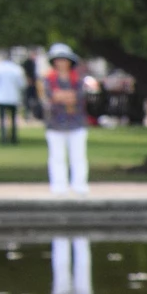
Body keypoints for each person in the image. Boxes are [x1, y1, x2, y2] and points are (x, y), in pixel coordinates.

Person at [39, 42, 90, 193]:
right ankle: (59, 185)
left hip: (76, 122)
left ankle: (79, 184)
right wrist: (63, 96)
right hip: (55, 122)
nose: (61, 63)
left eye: (64, 59)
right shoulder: (48, 79)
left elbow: (78, 96)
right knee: (57, 156)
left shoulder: (77, 79)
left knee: (78, 155)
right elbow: (50, 96)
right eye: (58, 60)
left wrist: (62, 96)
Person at [0, 51, 25, 146]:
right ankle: (13, 137)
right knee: (13, 118)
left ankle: (3, 137)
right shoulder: (17, 69)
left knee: (2, 118)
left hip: (1, 97)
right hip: (13, 97)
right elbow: (22, 84)